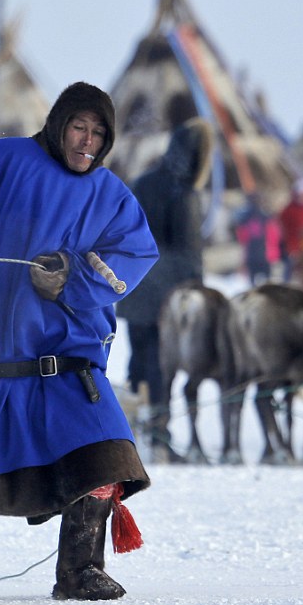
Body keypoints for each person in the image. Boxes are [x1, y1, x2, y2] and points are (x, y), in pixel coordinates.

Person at [0, 82, 159, 601]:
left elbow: (133, 255)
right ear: (58, 124)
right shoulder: (3, 161)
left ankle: (80, 569)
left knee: (103, 455)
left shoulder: (111, 195)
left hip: (70, 369)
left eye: (98, 133)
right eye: (78, 127)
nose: (87, 141)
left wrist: (71, 276)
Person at [115, 117, 214, 464]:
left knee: (139, 361)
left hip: (134, 287)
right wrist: (198, 293)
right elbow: (188, 252)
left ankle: (133, 434)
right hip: (166, 297)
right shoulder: (183, 194)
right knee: (160, 367)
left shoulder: (142, 182)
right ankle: (158, 435)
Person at [233, 192, 281, 286]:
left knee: (253, 283)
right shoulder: (266, 218)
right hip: (264, 255)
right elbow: (274, 237)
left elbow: (242, 238)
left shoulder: (245, 218)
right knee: (267, 282)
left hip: (253, 255)